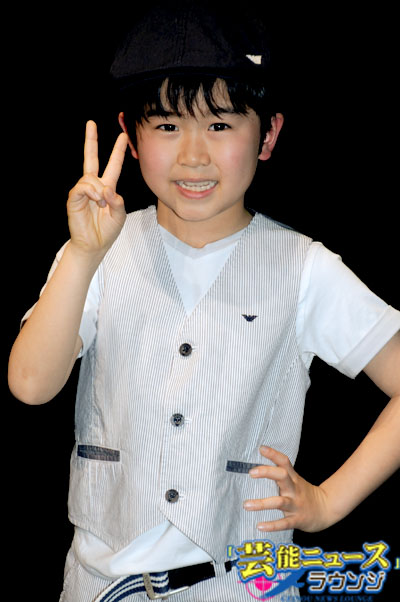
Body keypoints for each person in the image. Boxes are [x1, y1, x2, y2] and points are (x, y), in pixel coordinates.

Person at [8, 4, 400, 601]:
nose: (193, 155)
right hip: (98, 585)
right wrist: (83, 254)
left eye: (220, 125)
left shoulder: (303, 268)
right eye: (167, 126)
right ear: (130, 135)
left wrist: (327, 502)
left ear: (268, 135)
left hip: (242, 585)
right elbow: (31, 385)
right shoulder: (97, 251)